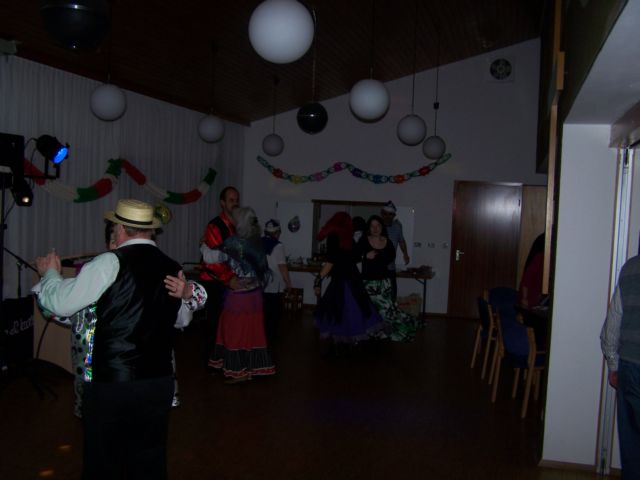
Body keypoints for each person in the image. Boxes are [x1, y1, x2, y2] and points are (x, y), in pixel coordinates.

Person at [32, 199, 195, 480]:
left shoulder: (110, 262)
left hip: (114, 383)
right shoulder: (171, 265)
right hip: (158, 382)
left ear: (119, 228)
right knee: (149, 462)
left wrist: (50, 274)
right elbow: (182, 319)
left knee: (103, 462)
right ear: (151, 230)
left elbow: (61, 304)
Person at [201, 206, 275, 384]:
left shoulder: (235, 242)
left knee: (234, 332)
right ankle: (250, 369)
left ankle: (238, 371)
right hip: (254, 296)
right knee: (251, 331)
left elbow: (210, 257)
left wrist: (203, 244)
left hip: (239, 298)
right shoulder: (257, 242)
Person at [313, 212, 385, 351]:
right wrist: (365, 256)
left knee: (342, 311)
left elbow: (330, 262)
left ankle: (343, 343)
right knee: (352, 311)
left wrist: (318, 279)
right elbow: (354, 257)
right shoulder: (348, 237)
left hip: (342, 281)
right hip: (353, 280)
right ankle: (349, 342)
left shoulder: (334, 236)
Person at [601, 255, 640, 480]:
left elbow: (613, 324)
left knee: (631, 442)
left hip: (629, 367)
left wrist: (614, 364)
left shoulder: (630, 269)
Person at [357, 215, 424, 342]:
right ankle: (371, 331)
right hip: (367, 283)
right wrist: (365, 256)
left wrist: (377, 258)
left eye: (378, 225)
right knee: (369, 309)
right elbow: (354, 256)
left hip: (384, 282)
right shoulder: (363, 240)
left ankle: (385, 330)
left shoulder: (387, 242)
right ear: (369, 228)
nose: (375, 228)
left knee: (387, 310)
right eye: (372, 226)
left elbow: (389, 258)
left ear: (382, 227)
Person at [199, 186, 239, 370]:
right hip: (214, 281)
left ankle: (224, 359)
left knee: (230, 322)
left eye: (236, 200)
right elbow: (214, 260)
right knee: (214, 323)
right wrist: (229, 279)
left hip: (230, 281)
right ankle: (211, 362)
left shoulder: (237, 226)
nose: (235, 203)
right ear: (222, 203)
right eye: (231, 200)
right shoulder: (215, 226)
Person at [262, 219, 292, 347]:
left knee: (264, 311)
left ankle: (263, 337)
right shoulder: (278, 246)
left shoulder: (259, 242)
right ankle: (271, 338)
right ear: (277, 232)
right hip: (274, 284)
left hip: (262, 283)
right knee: (274, 313)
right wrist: (288, 283)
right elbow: (282, 266)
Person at [380, 201, 410, 300]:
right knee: (379, 295)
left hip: (391, 267)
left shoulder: (397, 226)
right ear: (382, 214)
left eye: (390, 214)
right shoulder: (376, 226)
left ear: (394, 215)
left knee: (392, 294)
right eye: (385, 214)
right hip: (377, 267)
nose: (387, 216)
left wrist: (405, 254)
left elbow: (401, 241)